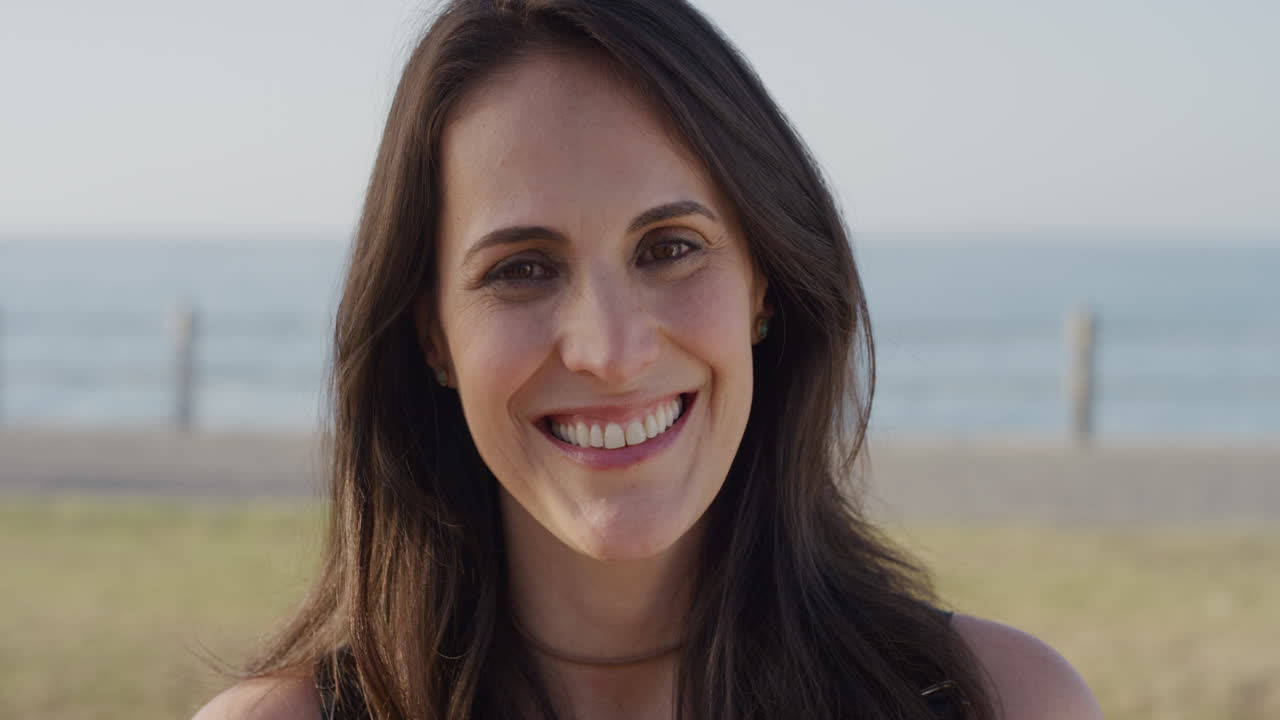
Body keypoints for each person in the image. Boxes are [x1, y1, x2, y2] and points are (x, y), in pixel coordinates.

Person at [195, 1, 1100, 718]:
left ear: (765, 284)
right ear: (431, 332)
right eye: (521, 269)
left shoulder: (1007, 705)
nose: (610, 352)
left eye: (669, 247)